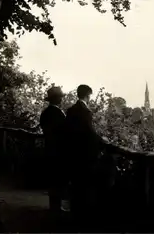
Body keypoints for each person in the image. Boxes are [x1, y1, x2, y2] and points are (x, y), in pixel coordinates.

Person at [65, 84, 105, 231]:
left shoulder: (70, 111)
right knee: (85, 185)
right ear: (88, 95)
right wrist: (101, 141)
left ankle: (75, 214)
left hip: (73, 153)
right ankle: (84, 219)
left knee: (75, 184)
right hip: (84, 154)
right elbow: (89, 132)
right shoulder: (85, 111)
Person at [39, 86, 67, 215]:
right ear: (56, 98)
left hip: (49, 148)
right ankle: (56, 207)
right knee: (58, 178)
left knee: (53, 178)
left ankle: (53, 206)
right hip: (58, 149)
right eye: (60, 97)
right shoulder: (57, 113)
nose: (62, 99)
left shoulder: (45, 113)